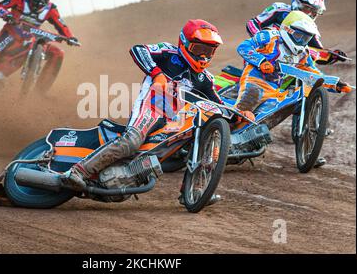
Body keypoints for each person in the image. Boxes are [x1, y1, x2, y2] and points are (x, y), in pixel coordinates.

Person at [64, 19, 245, 204]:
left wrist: (238, 114)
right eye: (199, 49)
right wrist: (157, 73)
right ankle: (78, 171)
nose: (203, 56)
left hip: (175, 120)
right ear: (184, 43)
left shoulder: (204, 78)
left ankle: (194, 191)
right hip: (152, 106)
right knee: (131, 142)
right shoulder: (168, 52)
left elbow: (217, 101)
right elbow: (138, 49)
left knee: (194, 138)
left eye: (209, 51)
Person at [235, 10, 352, 124]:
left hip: (275, 90)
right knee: (248, 104)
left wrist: (335, 84)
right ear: (287, 29)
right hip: (255, 80)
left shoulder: (303, 53)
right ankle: (232, 121)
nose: (301, 41)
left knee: (279, 108)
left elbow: (313, 74)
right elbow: (244, 46)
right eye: (298, 36)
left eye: (306, 38)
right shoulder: (269, 36)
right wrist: (261, 61)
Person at [0, 0, 79, 93]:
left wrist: (70, 37)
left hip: (33, 39)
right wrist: (7, 15)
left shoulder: (51, 9)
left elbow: (61, 25)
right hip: (10, 35)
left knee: (58, 53)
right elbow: (0, 6)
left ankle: (40, 92)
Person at [246, 0, 348, 65]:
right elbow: (252, 23)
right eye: (309, 9)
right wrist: (262, 39)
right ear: (297, 3)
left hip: (288, 61)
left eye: (315, 11)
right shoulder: (279, 9)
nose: (312, 14)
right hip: (263, 55)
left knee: (307, 55)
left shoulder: (310, 27)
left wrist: (332, 56)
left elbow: (317, 51)